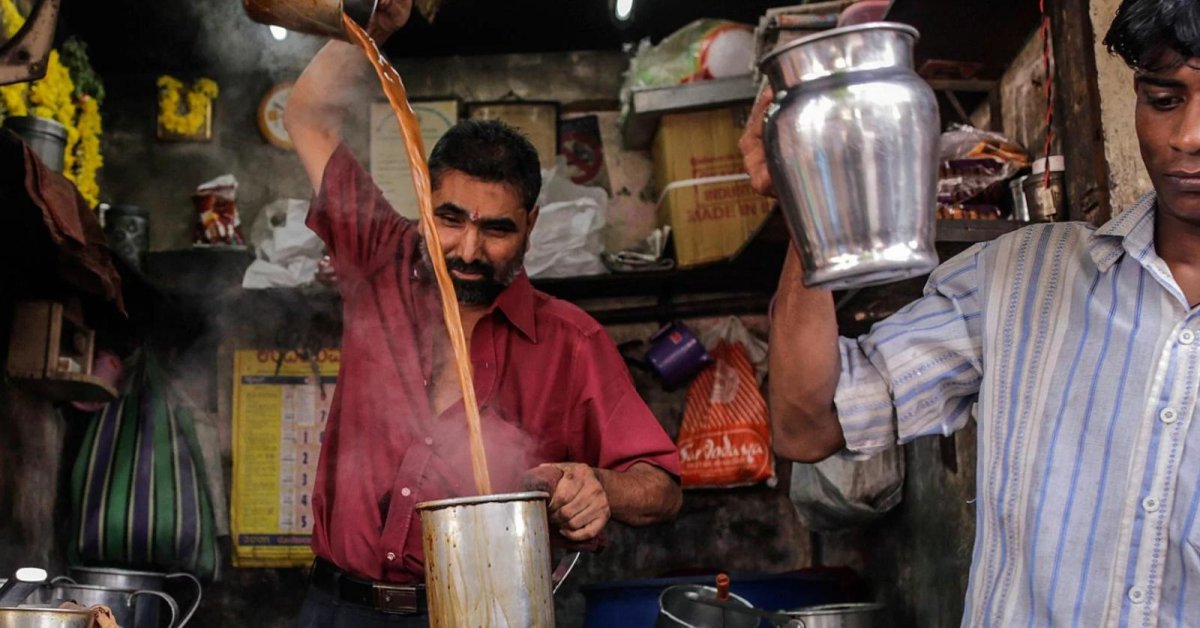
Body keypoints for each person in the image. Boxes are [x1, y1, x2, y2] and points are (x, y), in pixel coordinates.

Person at [743, 0, 1200, 625]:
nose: (1188, 136)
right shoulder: (1023, 279)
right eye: (1165, 100)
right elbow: (807, 424)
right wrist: (811, 187)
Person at [283, 1, 682, 624]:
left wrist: (599, 485)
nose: (469, 251)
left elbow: (661, 485)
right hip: (335, 608)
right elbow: (306, 116)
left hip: (482, 613)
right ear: (424, 202)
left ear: (530, 227)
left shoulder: (572, 342)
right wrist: (373, 27)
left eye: (496, 229)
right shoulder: (377, 259)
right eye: (450, 219)